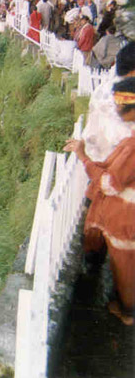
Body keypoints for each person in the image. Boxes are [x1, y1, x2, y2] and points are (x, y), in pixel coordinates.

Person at [63, 77, 135, 325]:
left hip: (125, 218)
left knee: (124, 264)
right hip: (124, 213)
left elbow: (110, 182)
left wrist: (84, 158)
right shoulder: (129, 141)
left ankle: (127, 313)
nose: (115, 109)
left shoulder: (132, 145)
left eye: (119, 104)